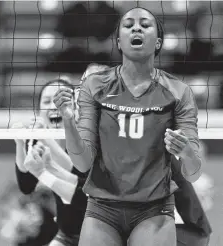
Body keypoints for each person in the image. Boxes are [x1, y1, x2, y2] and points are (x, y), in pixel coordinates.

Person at [54, 7, 203, 246]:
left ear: (158, 42)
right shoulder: (95, 85)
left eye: (145, 24)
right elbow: (82, 163)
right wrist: (69, 122)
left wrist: (186, 152)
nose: (136, 28)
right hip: (102, 208)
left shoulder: (178, 91)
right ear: (119, 42)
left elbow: (194, 173)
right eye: (128, 24)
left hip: (154, 210)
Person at [12, 79, 88, 246]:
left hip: (95, 231)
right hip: (68, 234)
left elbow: (80, 182)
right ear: (39, 110)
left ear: (76, 108)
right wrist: (20, 144)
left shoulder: (85, 138)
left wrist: (46, 139)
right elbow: (26, 186)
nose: (54, 106)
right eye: (47, 101)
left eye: (61, 100)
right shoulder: (39, 138)